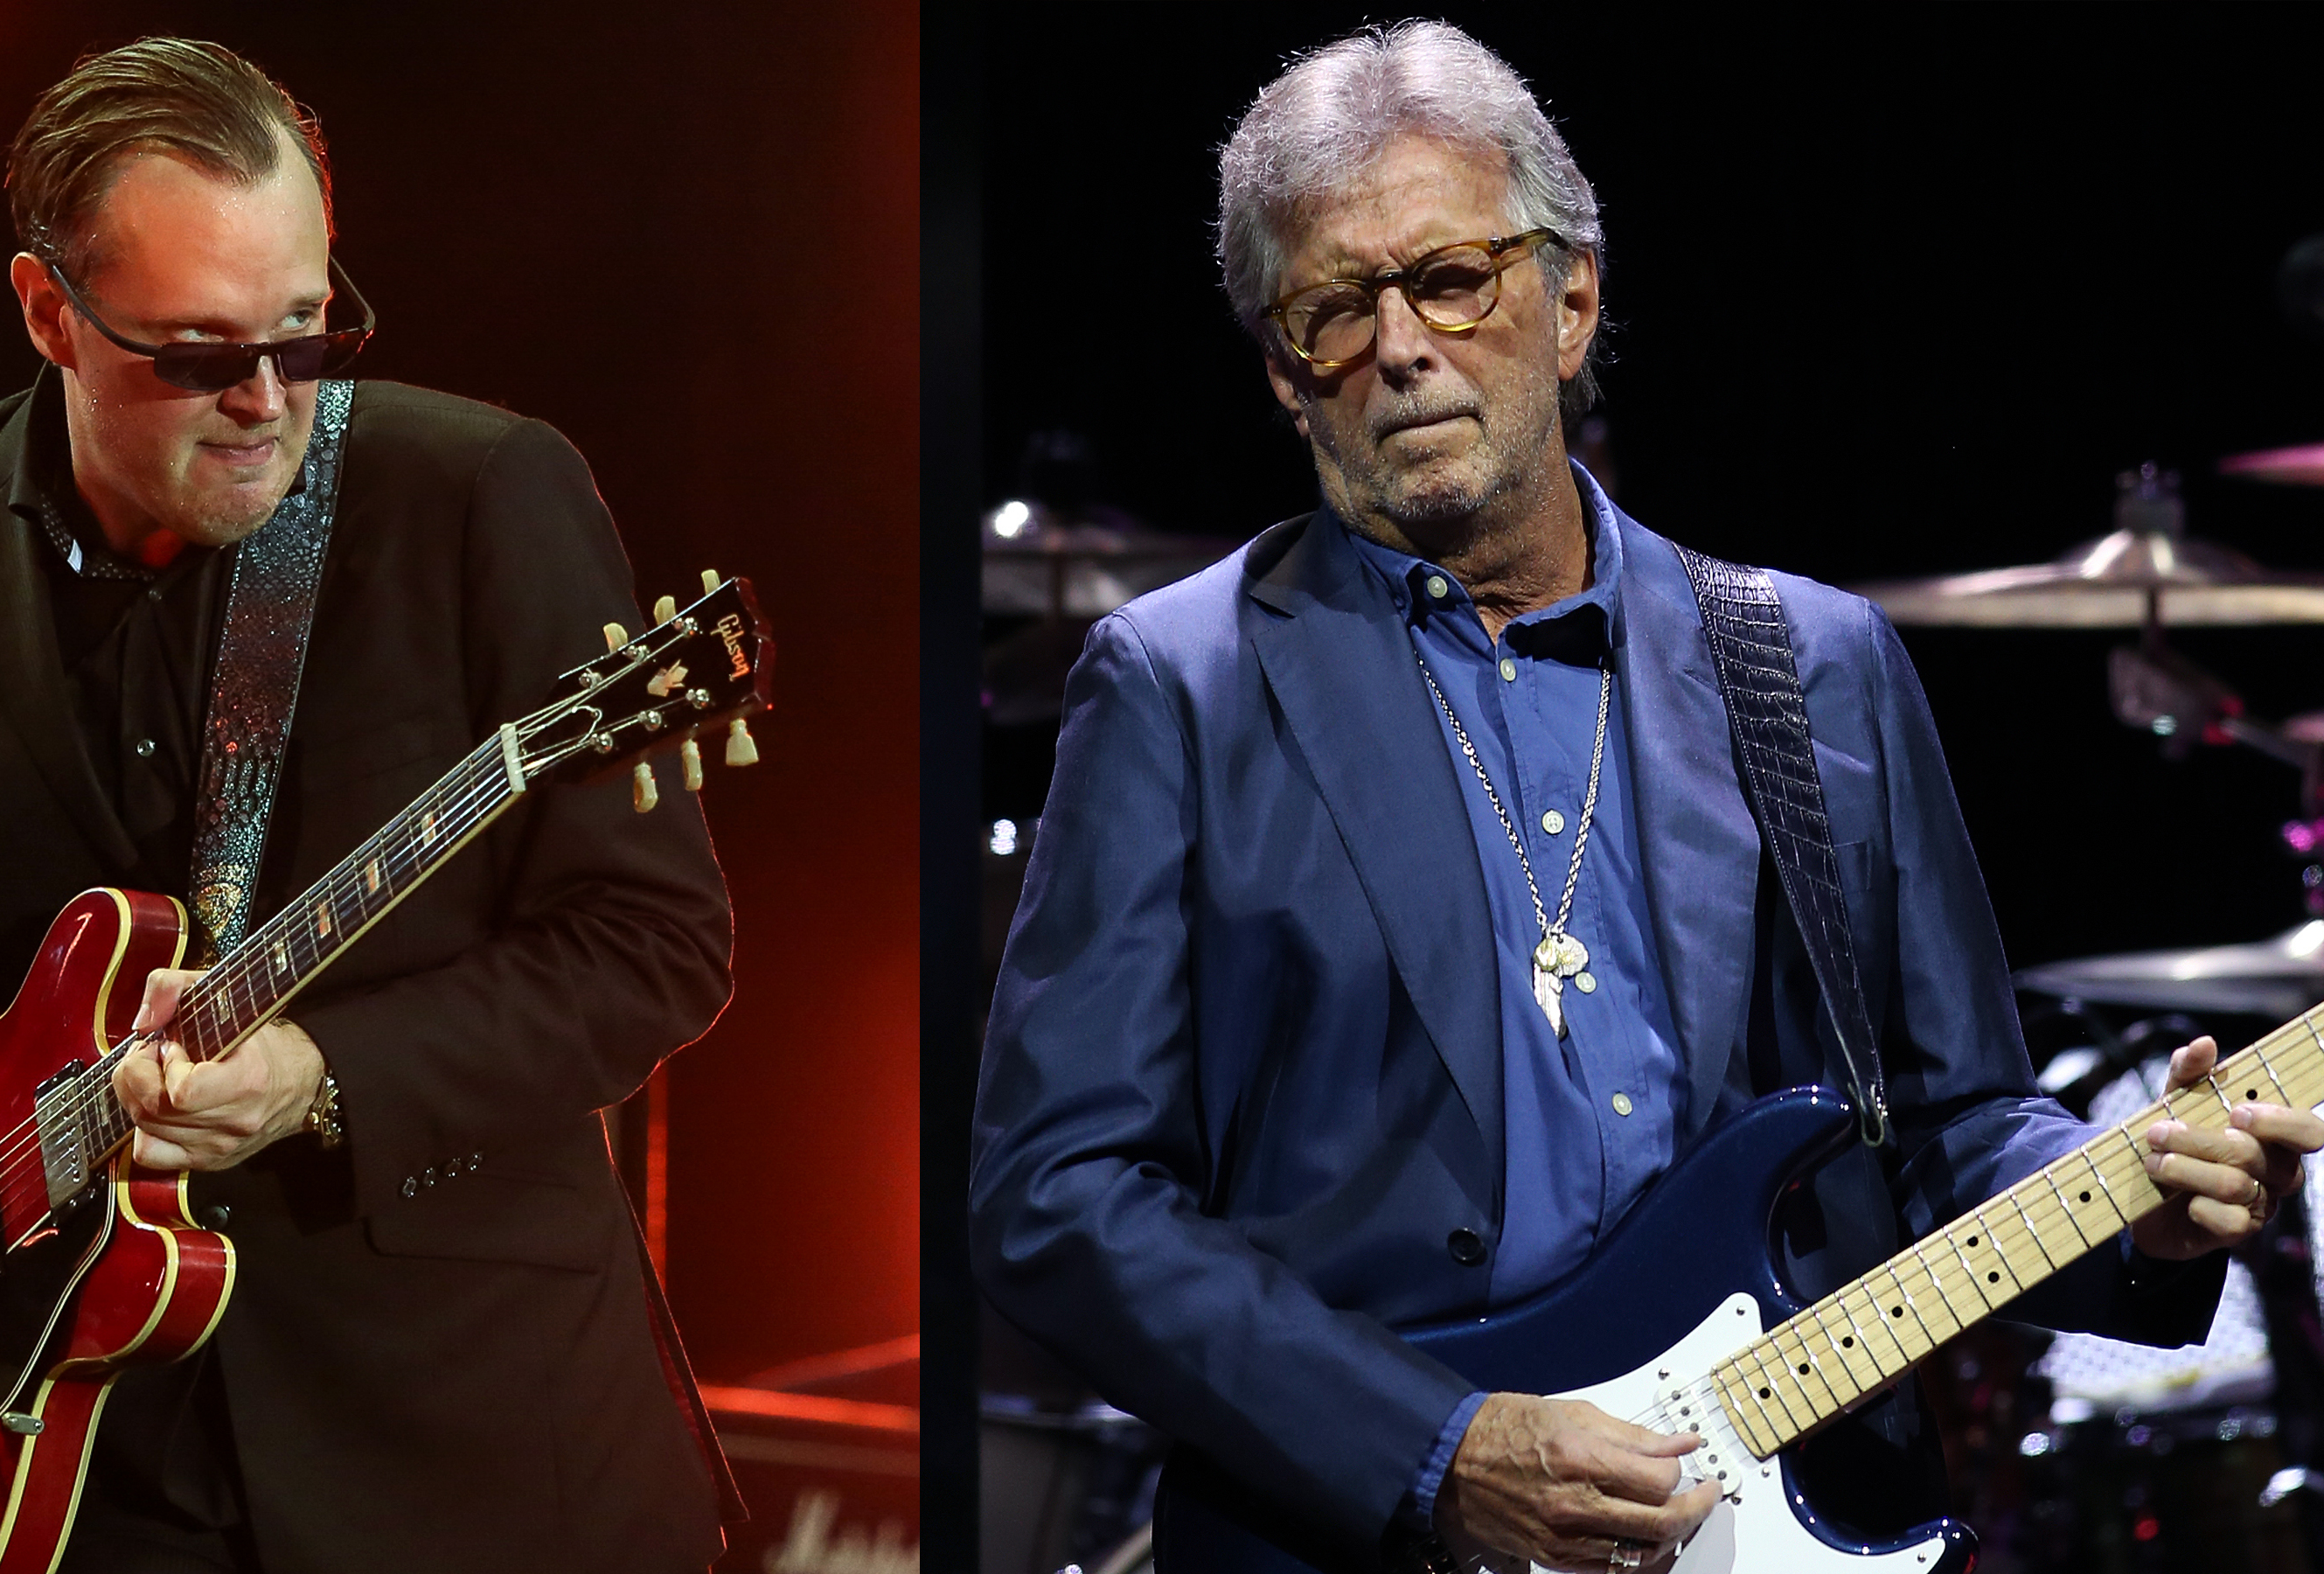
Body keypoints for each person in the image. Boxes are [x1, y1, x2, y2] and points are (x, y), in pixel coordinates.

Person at [968, 21, 2324, 1574]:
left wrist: (2137, 1209)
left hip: (1783, 1503)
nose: (1401, 346)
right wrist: (1437, 1449)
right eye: (1334, 310)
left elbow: (1954, 1123)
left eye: (1452, 280)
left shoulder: (1815, 663)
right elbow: (1055, 1193)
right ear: (1289, 376)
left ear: (1571, 300)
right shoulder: (1176, 685)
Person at [0, 38, 735, 1574]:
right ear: (49, 311)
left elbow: (657, 946)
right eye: (195, 351)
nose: (267, 401)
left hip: (473, 1454)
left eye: (307, 331)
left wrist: (321, 1072)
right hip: (68, 1459)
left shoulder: (484, 494)